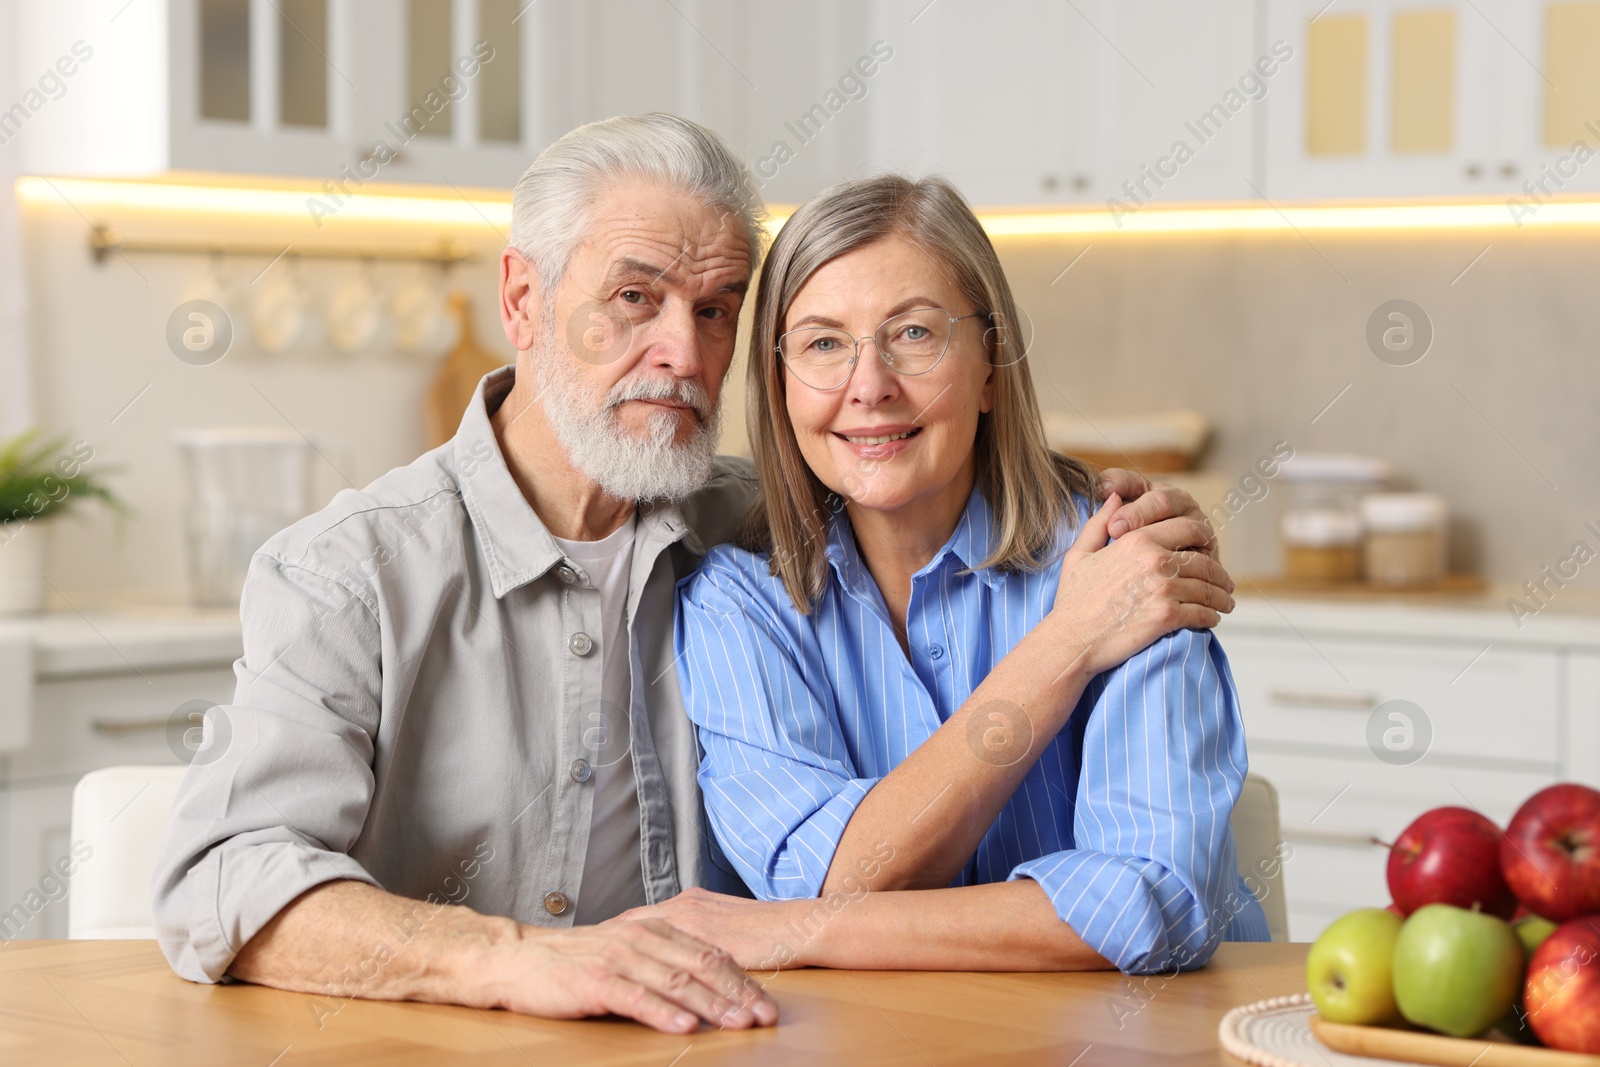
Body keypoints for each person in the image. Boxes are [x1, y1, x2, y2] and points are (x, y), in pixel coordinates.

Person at [151, 115, 1232, 1032]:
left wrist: (1122, 524)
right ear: (522, 301)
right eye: (635, 297)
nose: (682, 349)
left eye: (715, 308)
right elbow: (224, 877)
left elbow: (918, 461)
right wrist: (512, 957)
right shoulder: (350, 572)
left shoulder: (772, 526)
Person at [622, 173, 1268, 976]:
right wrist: (1068, 646)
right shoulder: (737, 601)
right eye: (824, 343)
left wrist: (798, 930)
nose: (870, 386)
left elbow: (1154, 901)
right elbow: (820, 874)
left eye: (916, 334)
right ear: (780, 384)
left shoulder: (1125, 558)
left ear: (992, 361)